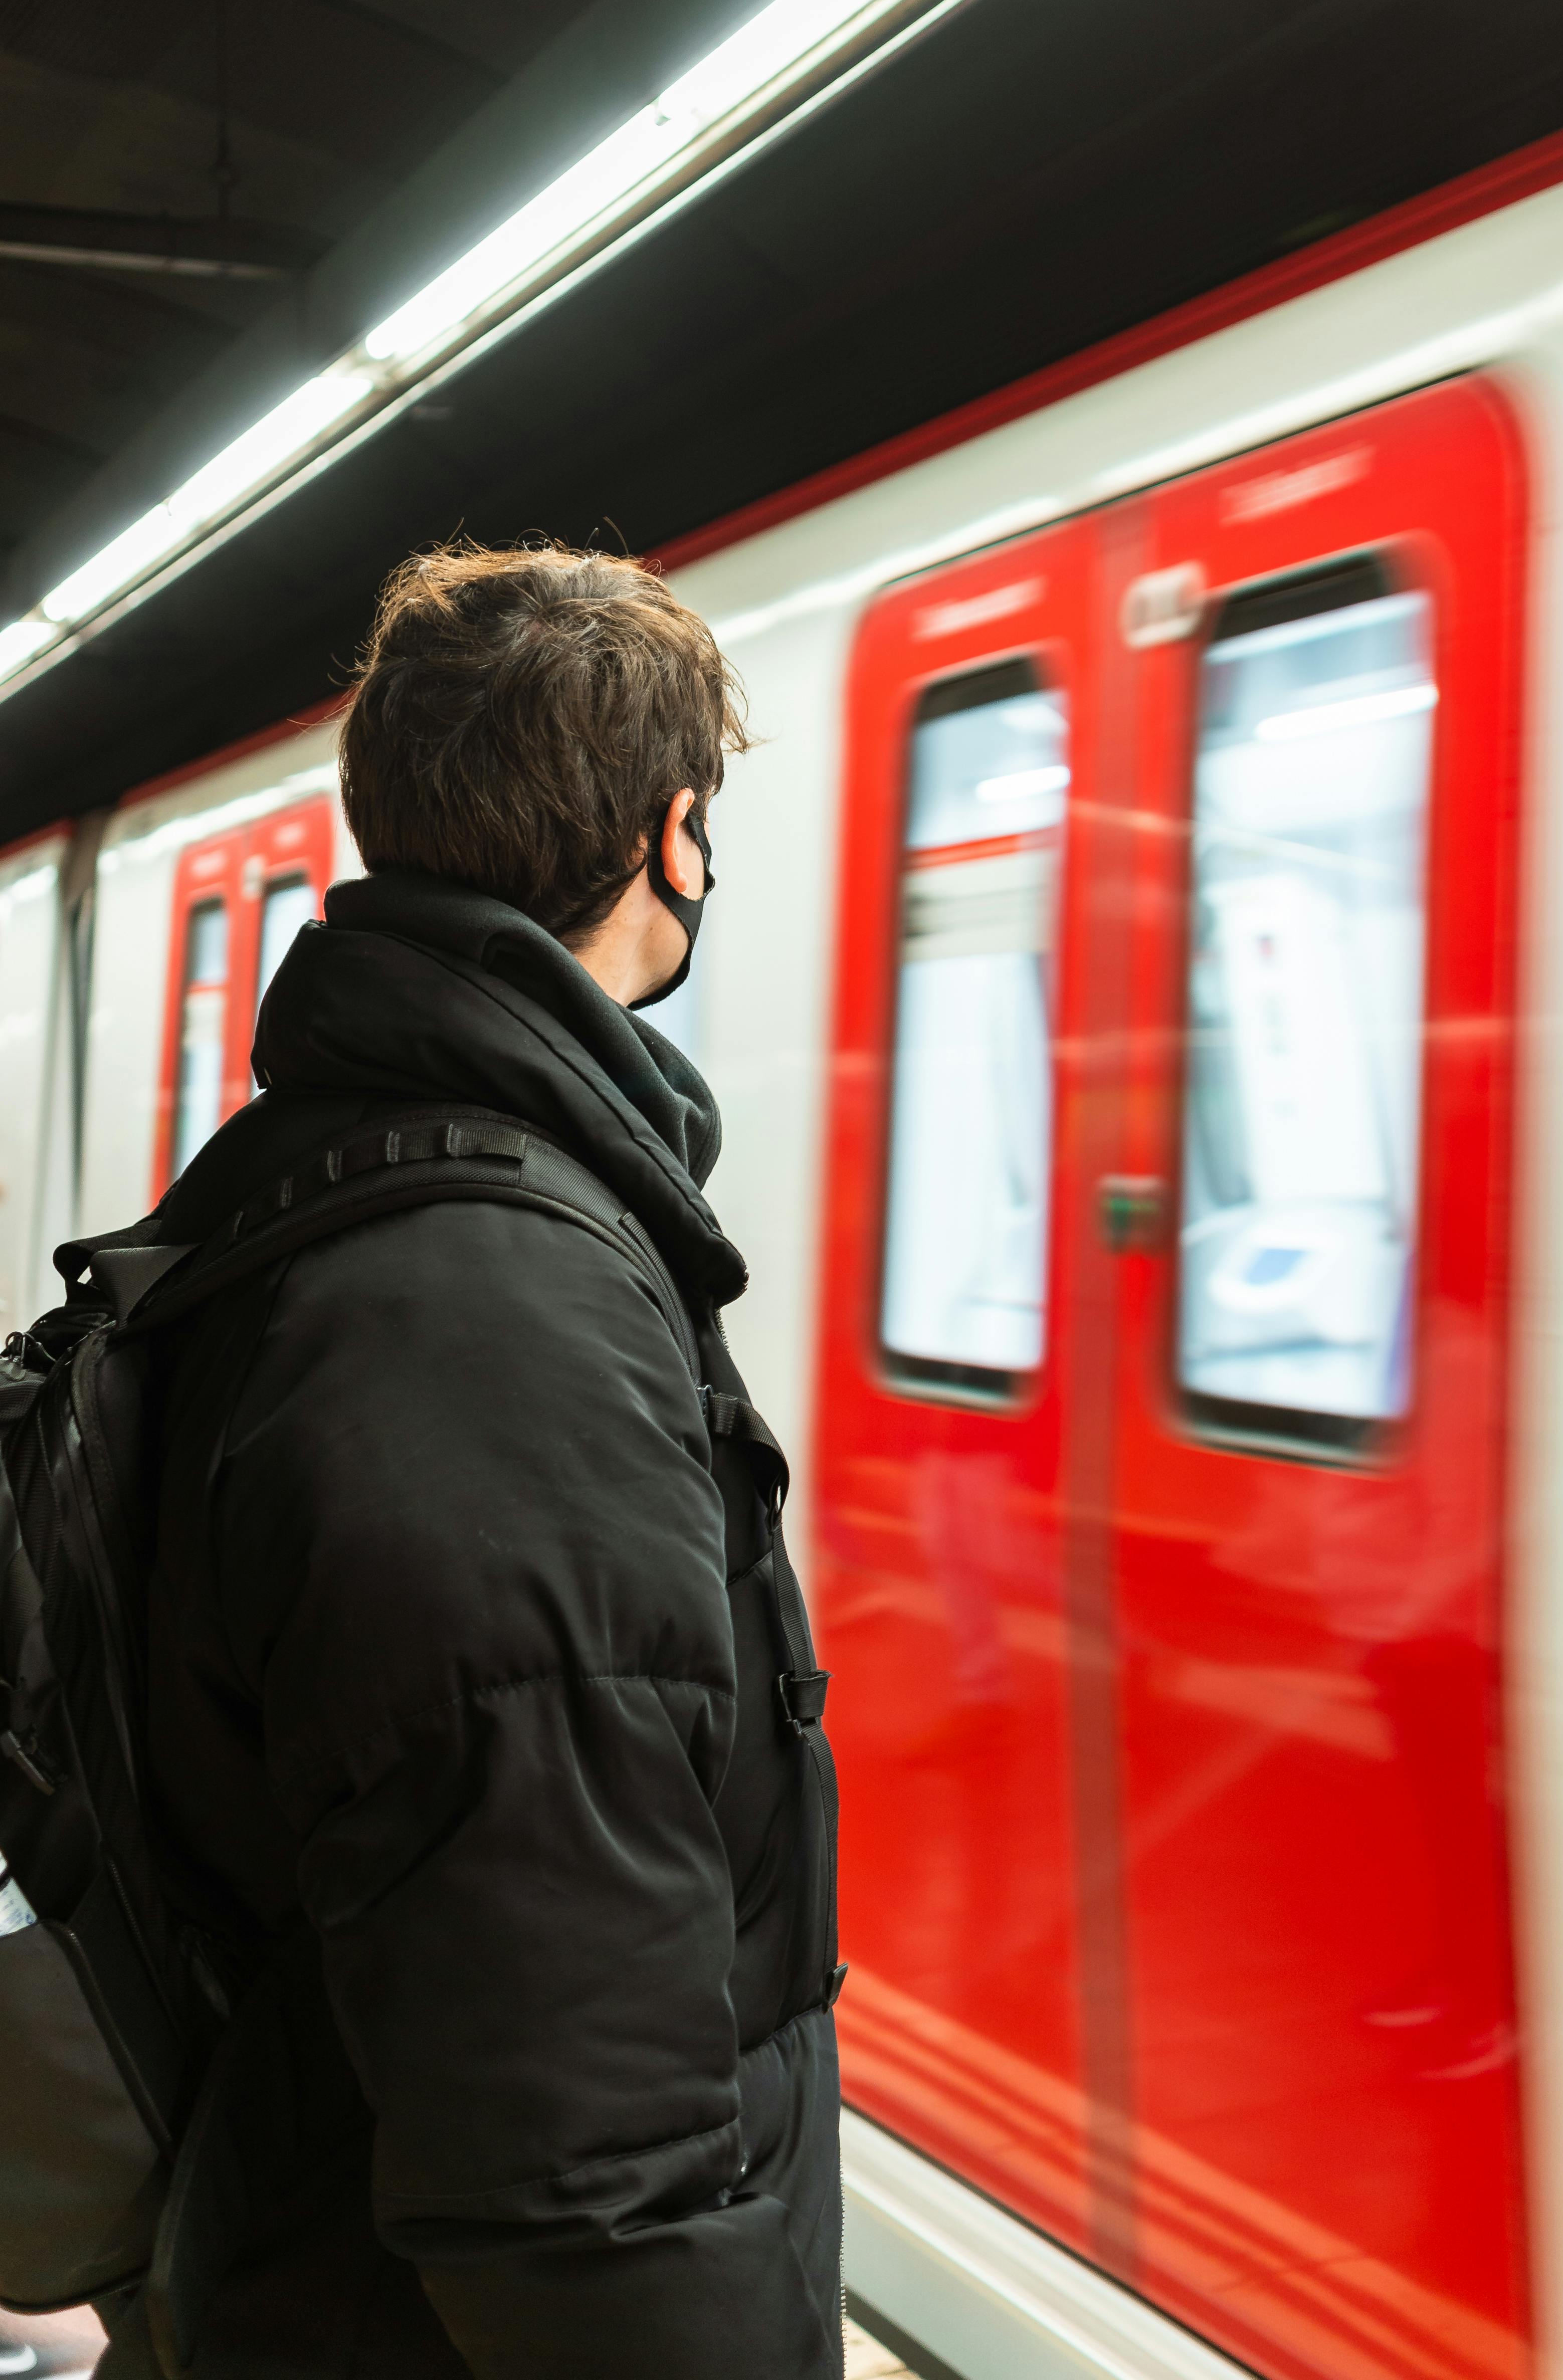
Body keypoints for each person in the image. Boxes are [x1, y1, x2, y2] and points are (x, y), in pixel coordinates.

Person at [106, 543, 841, 2380]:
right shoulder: (492, 1321)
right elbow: (575, 2156)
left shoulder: (335, 1170)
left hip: (296, 2250)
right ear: (674, 841)